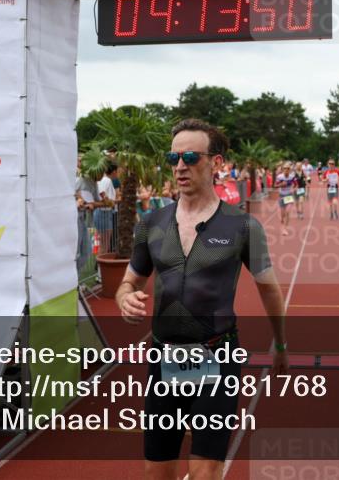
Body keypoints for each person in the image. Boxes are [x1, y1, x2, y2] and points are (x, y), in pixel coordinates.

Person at [116, 119, 288, 480]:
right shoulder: (151, 223)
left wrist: (281, 343)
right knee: (156, 472)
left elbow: (269, 288)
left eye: (191, 157)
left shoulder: (243, 227)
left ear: (217, 163)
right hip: (164, 357)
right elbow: (129, 282)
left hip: (217, 355)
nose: (180, 166)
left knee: (206, 471)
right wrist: (124, 296)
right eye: (173, 157)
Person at [275, 162, 297, 236]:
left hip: (289, 196)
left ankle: (284, 228)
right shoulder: (279, 177)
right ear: (282, 169)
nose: (286, 170)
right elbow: (275, 185)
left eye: (288, 168)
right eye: (285, 168)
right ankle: (282, 223)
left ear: (290, 170)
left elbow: (296, 185)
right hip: (281, 196)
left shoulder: (292, 177)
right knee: (282, 215)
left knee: (287, 212)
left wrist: (293, 189)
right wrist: (281, 184)